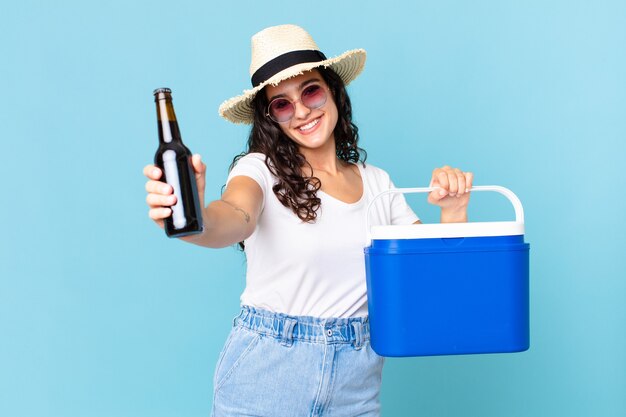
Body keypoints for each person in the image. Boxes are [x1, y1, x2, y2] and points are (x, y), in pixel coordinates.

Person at [143, 24, 473, 417]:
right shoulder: (259, 171)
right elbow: (235, 216)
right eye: (281, 104)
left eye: (311, 90)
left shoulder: (378, 184)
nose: (301, 111)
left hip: (356, 384)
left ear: (333, 91)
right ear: (270, 118)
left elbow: (435, 280)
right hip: (267, 374)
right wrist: (193, 214)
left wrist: (453, 209)